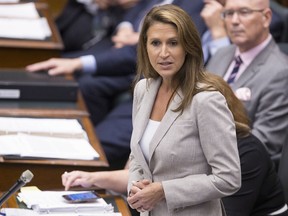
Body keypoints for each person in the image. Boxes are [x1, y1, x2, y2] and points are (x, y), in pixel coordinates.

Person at [62, 73, 288, 216]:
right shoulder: (185, 139)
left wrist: (160, 193)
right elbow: (148, 178)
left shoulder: (246, 152)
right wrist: (92, 178)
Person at [126, 4, 241, 215]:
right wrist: (134, 187)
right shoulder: (144, 89)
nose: (163, 53)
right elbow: (138, 157)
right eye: (155, 43)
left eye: (173, 43)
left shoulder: (206, 100)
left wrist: (163, 191)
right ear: (145, 47)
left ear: (188, 46)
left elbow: (229, 178)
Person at [206, 0, 288, 157]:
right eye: (229, 13)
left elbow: (264, 142)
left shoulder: (281, 72)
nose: (234, 21)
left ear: (266, 18)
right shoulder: (221, 54)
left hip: (237, 167)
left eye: (244, 12)